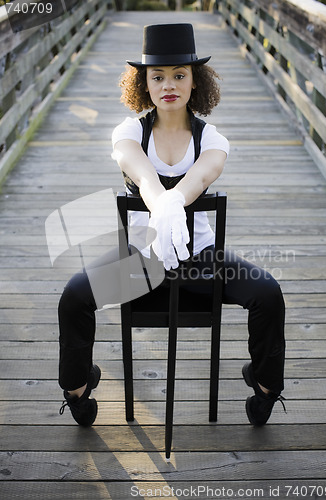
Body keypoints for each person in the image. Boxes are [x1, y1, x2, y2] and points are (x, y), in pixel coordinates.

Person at [58, 23, 286, 428]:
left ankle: (266, 388)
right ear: (144, 83)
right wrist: (159, 200)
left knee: (268, 292)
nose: (169, 85)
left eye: (179, 75)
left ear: (195, 81)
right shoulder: (129, 132)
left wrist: (175, 199)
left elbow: (201, 177)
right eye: (158, 76)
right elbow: (142, 175)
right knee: (74, 296)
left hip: (202, 264)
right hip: (140, 265)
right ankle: (77, 390)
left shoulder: (211, 138)